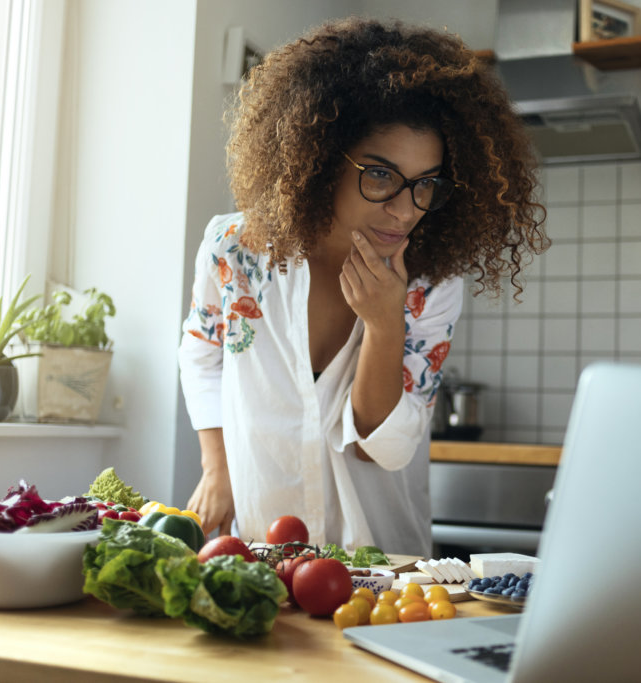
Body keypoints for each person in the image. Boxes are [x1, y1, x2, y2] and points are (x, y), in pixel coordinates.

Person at [178, 16, 547, 556]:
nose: (404, 209)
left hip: (385, 570)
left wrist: (383, 322)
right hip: (262, 552)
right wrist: (218, 467)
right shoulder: (234, 249)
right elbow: (202, 352)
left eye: (426, 185)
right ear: (321, 157)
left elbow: (388, 449)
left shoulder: (431, 281)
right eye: (380, 175)